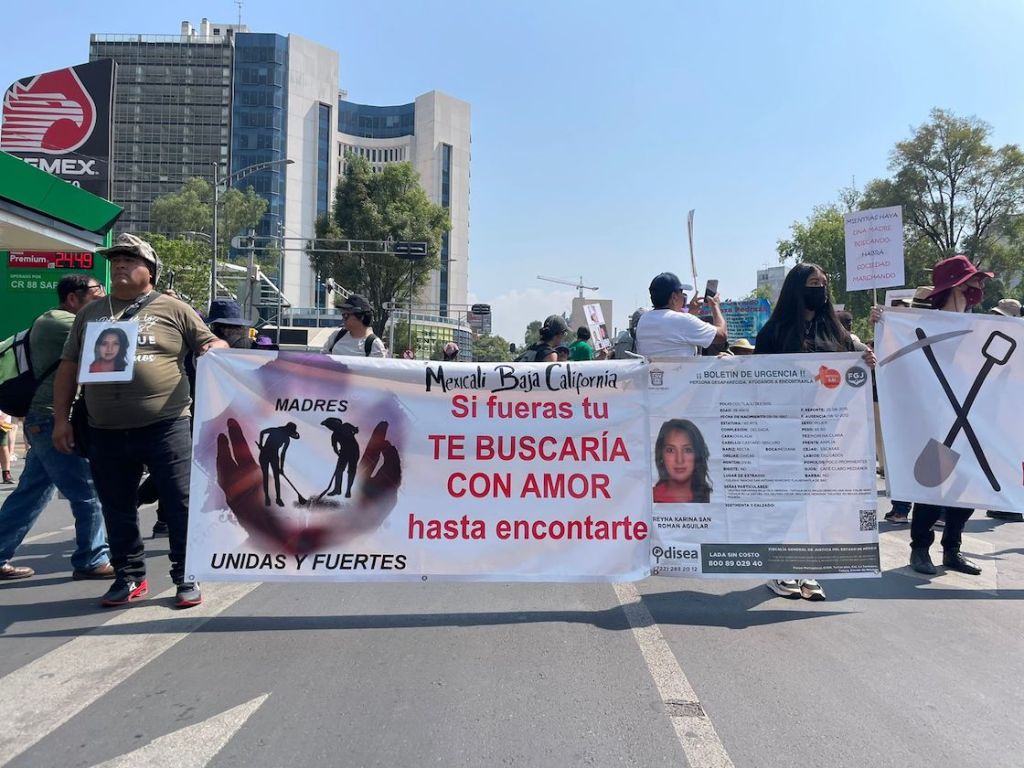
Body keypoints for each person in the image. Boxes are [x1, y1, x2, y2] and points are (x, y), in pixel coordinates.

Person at [52, 233, 227, 608]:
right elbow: (68, 369)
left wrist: (213, 347)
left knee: (179, 503)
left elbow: (213, 342)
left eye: (130, 260)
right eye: (116, 260)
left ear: (150, 271)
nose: (119, 265)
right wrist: (61, 421)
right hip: (104, 428)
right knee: (116, 506)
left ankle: (185, 577)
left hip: (167, 424)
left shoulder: (174, 308)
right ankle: (128, 577)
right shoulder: (90, 314)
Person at [755, 263, 875, 601]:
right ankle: (780, 569)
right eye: (812, 282)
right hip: (784, 432)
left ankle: (807, 570)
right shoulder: (773, 332)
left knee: (815, 502)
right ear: (797, 288)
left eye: (823, 282)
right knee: (787, 503)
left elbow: (857, 367)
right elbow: (755, 382)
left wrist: (866, 361)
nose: (820, 288)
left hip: (823, 433)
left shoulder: (836, 333)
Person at [873, 255, 989, 577]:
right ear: (955, 285)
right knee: (932, 484)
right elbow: (898, 359)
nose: (979, 287)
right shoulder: (922, 325)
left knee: (966, 487)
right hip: (936, 417)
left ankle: (953, 548)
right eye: (973, 282)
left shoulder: (981, 326)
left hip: (973, 417)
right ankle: (920, 548)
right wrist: (882, 323)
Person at [0, 275, 112, 581]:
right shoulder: (60, 321)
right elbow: (109, 339)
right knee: (87, 490)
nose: (103, 300)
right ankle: (92, 558)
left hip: (46, 419)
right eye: (97, 294)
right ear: (73, 299)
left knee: (32, 493)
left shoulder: (71, 320)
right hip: (50, 419)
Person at [635, 272, 727, 357]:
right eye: (682, 293)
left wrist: (691, 313)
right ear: (674, 297)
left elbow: (673, 330)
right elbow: (721, 335)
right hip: (681, 374)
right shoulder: (682, 320)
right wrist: (715, 306)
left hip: (652, 373)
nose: (683, 297)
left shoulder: (644, 320)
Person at [652, 419, 712, 503]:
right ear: (661, 455)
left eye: (687, 450)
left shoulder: (710, 497)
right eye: (670, 450)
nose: (679, 460)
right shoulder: (647, 498)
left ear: (697, 455)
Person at [321, 294, 387, 357]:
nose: (343, 319)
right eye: (342, 314)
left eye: (346, 315)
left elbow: (379, 367)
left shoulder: (374, 344)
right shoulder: (337, 335)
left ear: (361, 316)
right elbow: (322, 359)